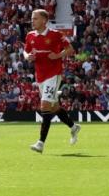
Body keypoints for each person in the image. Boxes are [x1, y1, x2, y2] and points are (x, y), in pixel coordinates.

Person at [23, 9, 80, 154]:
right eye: (32, 18)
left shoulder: (56, 34)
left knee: (45, 105)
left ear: (44, 20)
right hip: (40, 76)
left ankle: (41, 143)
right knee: (53, 107)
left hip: (53, 75)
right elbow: (26, 51)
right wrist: (27, 56)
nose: (32, 21)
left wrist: (58, 55)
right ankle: (73, 127)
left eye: (35, 18)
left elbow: (70, 49)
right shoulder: (30, 36)